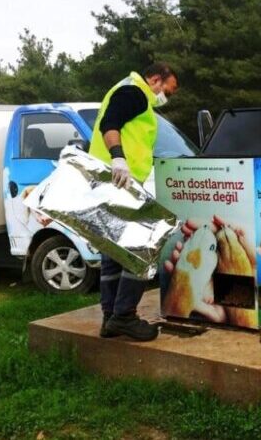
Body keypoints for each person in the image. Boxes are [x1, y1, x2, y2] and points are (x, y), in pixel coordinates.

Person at [88, 62, 178, 340]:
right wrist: (118, 157)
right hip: (118, 182)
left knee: (114, 253)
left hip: (110, 182)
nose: (167, 97)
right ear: (155, 79)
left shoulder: (127, 90)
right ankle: (124, 315)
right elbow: (110, 124)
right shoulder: (135, 92)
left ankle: (110, 317)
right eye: (169, 91)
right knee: (143, 248)